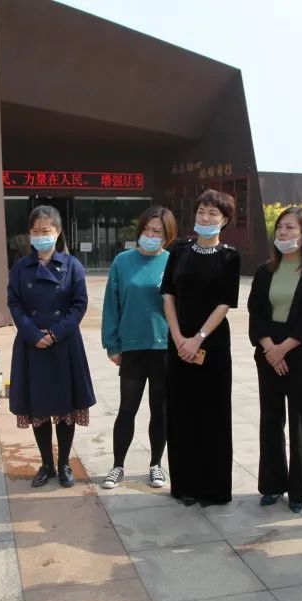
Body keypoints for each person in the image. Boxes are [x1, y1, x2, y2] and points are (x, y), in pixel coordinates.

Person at [161, 189, 241, 506]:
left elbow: (225, 302)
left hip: (213, 347)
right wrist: (179, 337)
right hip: (178, 345)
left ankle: (213, 488)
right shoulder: (179, 250)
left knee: (213, 416)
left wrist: (198, 338)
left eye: (213, 214)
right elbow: (168, 295)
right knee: (181, 415)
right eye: (201, 212)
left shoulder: (229, 256)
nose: (205, 218)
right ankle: (185, 486)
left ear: (224, 221)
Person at [247, 206, 302, 512]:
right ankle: (271, 485)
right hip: (268, 353)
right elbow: (255, 310)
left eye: (291, 228)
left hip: (301, 353)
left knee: (299, 421)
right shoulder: (265, 270)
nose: (283, 233)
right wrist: (270, 348)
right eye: (280, 227)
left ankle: (298, 490)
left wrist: (284, 349)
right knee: (270, 419)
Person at [8, 205, 96, 488]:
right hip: (32, 344)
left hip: (64, 344)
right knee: (39, 408)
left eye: (46, 231)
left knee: (65, 407)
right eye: (35, 231)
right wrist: (33, 333)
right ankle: (46, 464)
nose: (40, 236)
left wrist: (56, 333)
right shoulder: (21, 267)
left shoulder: (72, 266)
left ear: (57, 233)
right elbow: (15, 303)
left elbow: (79, 304)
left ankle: (64, 463)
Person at [101, 206, 178, 490]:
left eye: (157, 231)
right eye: (147, 229)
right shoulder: (123, 262)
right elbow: (112, 304)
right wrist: (112, 343)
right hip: (132, 348)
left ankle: (156, 465)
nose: (150, 235)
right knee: (127, 409)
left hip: (163, 349)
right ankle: (117, 465)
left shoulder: (173, 262)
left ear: (167, 235)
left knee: (160, 411)